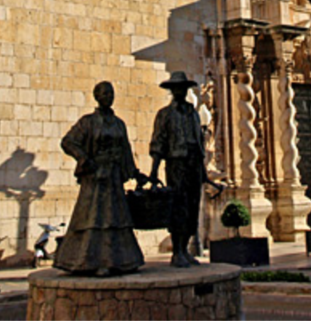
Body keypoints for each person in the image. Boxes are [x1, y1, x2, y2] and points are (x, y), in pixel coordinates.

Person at [54, 81, 146, 276]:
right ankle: (92, 261)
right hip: (95, 176)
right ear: (97, 96)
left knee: (116, 217)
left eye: (111, 93)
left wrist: (136, 173)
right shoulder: (88, 122)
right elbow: (68, 142)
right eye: (104, 93)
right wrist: (84, 158)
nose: (108, 96)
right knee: (94, 217)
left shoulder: (119, 124)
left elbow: (126, 152)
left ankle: (120, 261)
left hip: (113, 177)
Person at [149, 71, 206, 268]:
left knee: (192, 206)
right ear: (172, 91)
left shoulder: (193, 113)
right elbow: (158, 143)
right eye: (177, 88)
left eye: (183, 88)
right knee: (178, 206)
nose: (180, 91)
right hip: (176, 164)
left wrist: (203, 170)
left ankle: (186, 248)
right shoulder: (165, 115)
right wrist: (154, 170)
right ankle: (177, 251)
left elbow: (200, 140)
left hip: (194, 163)